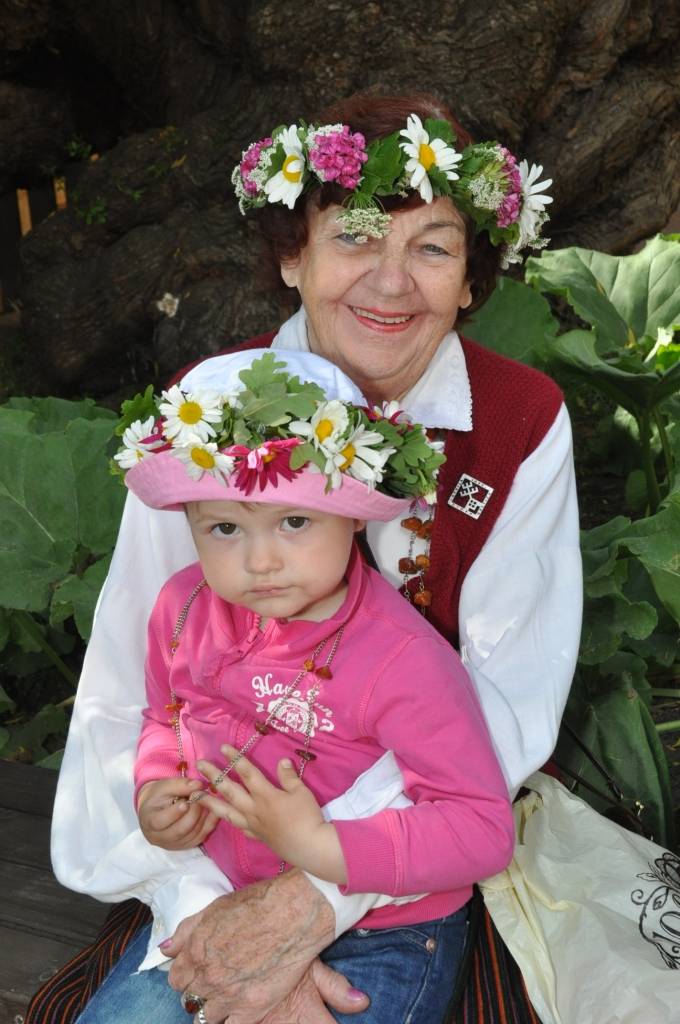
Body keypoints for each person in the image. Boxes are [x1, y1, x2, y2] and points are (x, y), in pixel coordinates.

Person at [36, 91, 582, 1024]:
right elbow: (136, 678)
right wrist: (206, 903)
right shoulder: (210, 412)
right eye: (357, 238)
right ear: (294, 254)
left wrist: (317, 895)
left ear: (474, 278)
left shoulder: (521, 422)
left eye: (434, 248)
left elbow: (508, 703)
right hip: (221, 854)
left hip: (415, 857)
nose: (392, 283)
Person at [98, 347, 513, 1024]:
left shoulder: (403, 660)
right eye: (225, 528)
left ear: (355, 517)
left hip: (390, 925)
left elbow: (483, 828)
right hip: (219, 895)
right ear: (191, 523)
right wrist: (156, 783)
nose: (260, 561)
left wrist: (321, 849)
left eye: (295, 522)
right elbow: (168, 712)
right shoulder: (182, 609)